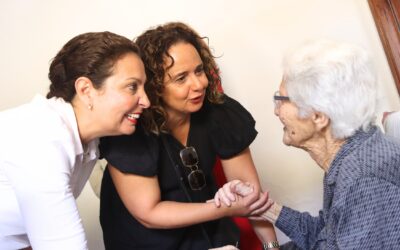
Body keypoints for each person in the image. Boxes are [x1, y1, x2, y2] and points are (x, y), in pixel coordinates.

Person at [99, 22, 278, 250]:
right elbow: (149, 214)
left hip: (213, 236)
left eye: (200, 70)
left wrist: (272, 246)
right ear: (153, 86)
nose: (199, 84)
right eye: (181, 78)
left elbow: (251, 197)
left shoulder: (218, 112)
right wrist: (227, 209)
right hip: (147, 243)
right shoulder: (129, 130)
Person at [222, 39, 400, 249]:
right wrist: (264, 208)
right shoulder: (350, 158)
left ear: (318, 116)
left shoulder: (363, 179)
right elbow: (326, 238)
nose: (276, 110)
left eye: (281, 99)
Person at [0, 31, 150, 250]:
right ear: (86, 90)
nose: (146, 101)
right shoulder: (44, 140)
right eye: (132, 87)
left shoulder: (88, 142)